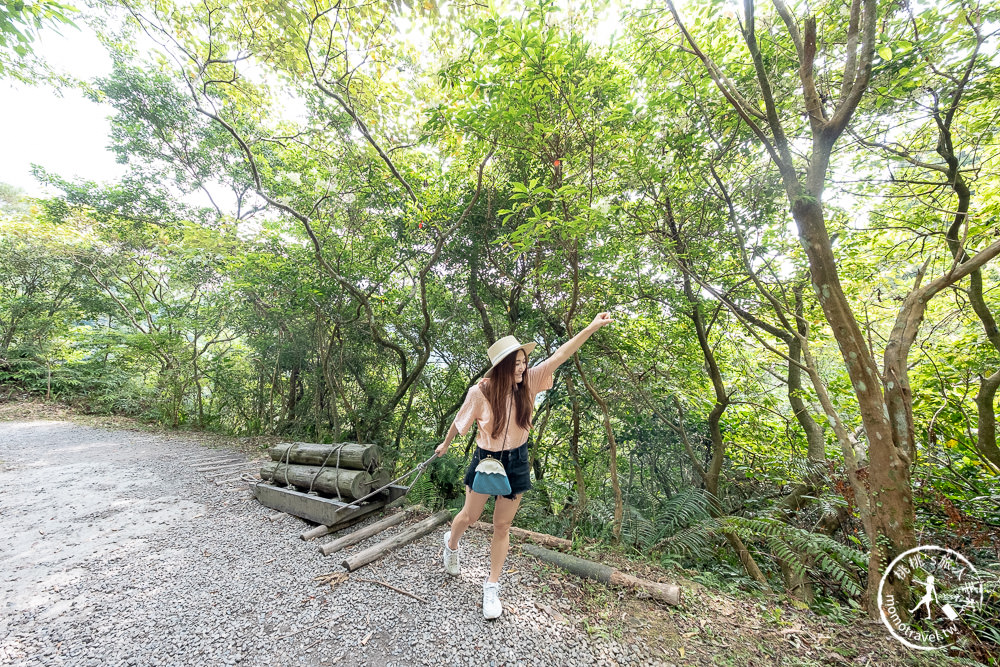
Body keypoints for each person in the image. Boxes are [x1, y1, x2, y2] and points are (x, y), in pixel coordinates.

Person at [433, 312, 613, 619]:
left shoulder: (528, 382)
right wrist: (446, 444)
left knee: (502, 526)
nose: (522, 367)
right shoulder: (481, 392)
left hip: (516, 460)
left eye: (523, 361)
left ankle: (491, 587)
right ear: (501, 367)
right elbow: (458, 420)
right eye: (515, 363)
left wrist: (592, 326)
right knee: (470, 516)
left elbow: (561, 354)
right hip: (486, 460)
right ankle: (451, 545)